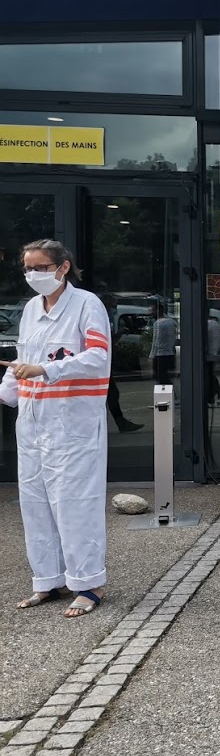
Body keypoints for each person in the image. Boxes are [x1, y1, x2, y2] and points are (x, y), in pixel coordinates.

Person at [1, 239, 112, 618]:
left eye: (41, 267)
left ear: (63, 267)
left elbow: (97, 357)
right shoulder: (31, 308)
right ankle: (47, 580)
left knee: (74, 505)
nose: (33, 275)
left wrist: (48, 369)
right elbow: (23, 356)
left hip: (72, 422)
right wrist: (8, 391)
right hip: (33, 422)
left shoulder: (86, 305)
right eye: (28, 268)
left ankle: (89, 583)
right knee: (35, 504)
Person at [99, 293, 142, 432]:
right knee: (111, 394)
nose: (115, 309)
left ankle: (120, 422)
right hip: (100, 365)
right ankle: (120, 423)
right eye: (113, 306)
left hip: (104, 364)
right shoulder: (99, 319)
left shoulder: (104, 319)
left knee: (112, 394)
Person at [150, 300, 177, 386]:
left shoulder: (158, 324)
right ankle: (172, 393)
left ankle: (168, 393)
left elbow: (156, 341)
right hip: (170, 353)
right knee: (165, 376)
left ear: (158, 310)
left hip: (160, 355)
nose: (151, 313)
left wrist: (151, 355)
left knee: (160, 377)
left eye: (153, 310)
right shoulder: (172, 322)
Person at [206, 308, 220, 407]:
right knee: (210, 374)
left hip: (209, 354)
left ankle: (214, 395)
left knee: (209, 375)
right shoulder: (215, 325)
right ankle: (216, 395)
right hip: (213, 353)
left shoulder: (209, 324)